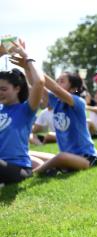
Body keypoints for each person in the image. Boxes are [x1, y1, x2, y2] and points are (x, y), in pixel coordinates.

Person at [33, 71, 97, 175]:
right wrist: (26, 67)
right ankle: (52, 168)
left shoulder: (78, 102)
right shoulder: (56, 101)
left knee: (60, 157)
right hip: (66, 156)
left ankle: (34, 172)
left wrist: (29, 61)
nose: (57, 83)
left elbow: (55, 88)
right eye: (57, 81)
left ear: (73, 89)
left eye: (61, 81)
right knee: (30, 154)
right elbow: (37, 83)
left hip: (86, 159)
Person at [0, 40, 44, 183]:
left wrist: (26, 57)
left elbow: (39, 83)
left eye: (4, 89)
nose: (0, 93)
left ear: (17, 88)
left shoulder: (26, 110)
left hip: (19, 170)